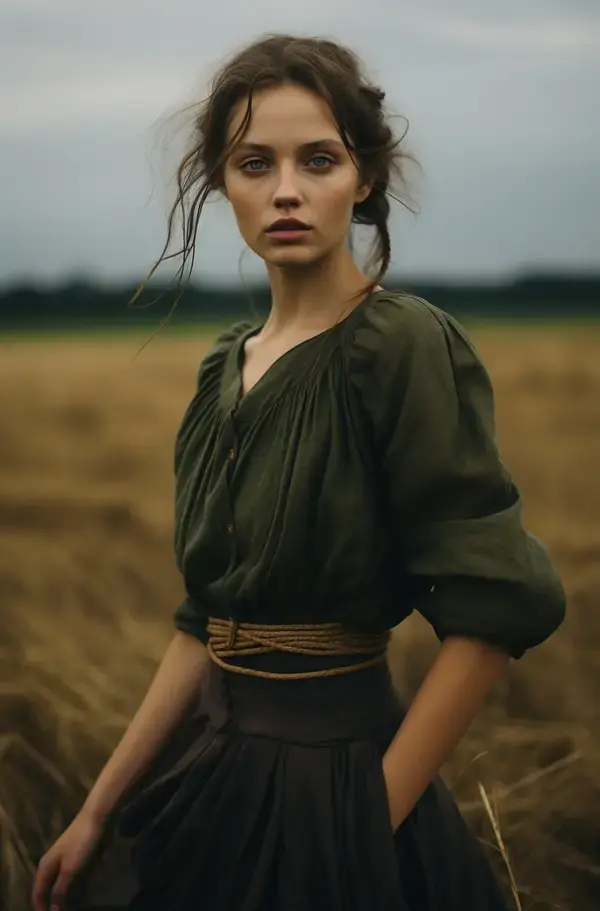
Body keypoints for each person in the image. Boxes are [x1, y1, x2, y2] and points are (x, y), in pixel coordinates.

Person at [32, 33, 566, 911]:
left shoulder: (399, 343)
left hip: (346, 786)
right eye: (254, 163)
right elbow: (206, 621)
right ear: (220, 182)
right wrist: (97, 810)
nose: (285, 189)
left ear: (363, 179)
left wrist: (365, 830)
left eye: (318, 159)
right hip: (209, 777)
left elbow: (497, 612)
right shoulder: (222, 366)